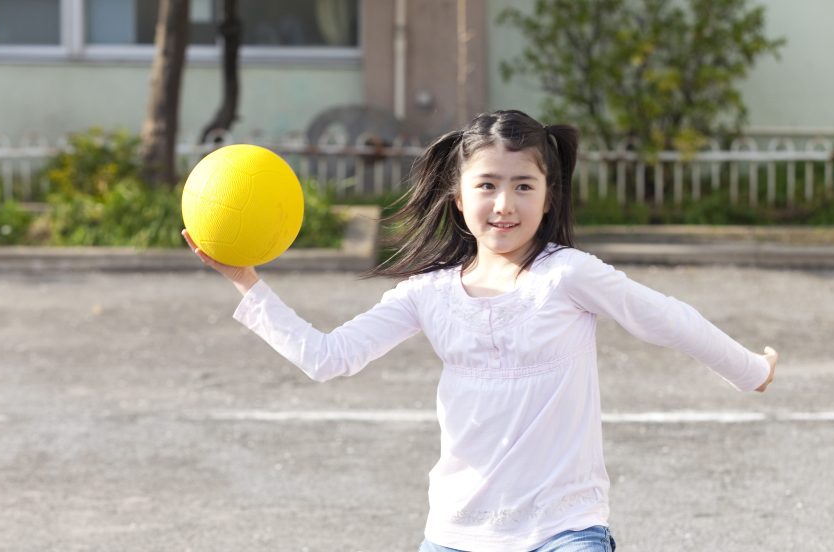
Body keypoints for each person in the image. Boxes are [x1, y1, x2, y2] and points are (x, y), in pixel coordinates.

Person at [182, 109, 778, 552]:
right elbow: (327, 357)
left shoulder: (567, 275)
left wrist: (751, 369)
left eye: (524, 186)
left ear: (549, 197)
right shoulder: (428, 292)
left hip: (564, 528)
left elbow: (667, 319)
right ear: (458, 195)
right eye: (487, 185)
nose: (504, 204)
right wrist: (245, 281)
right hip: (456, 533)